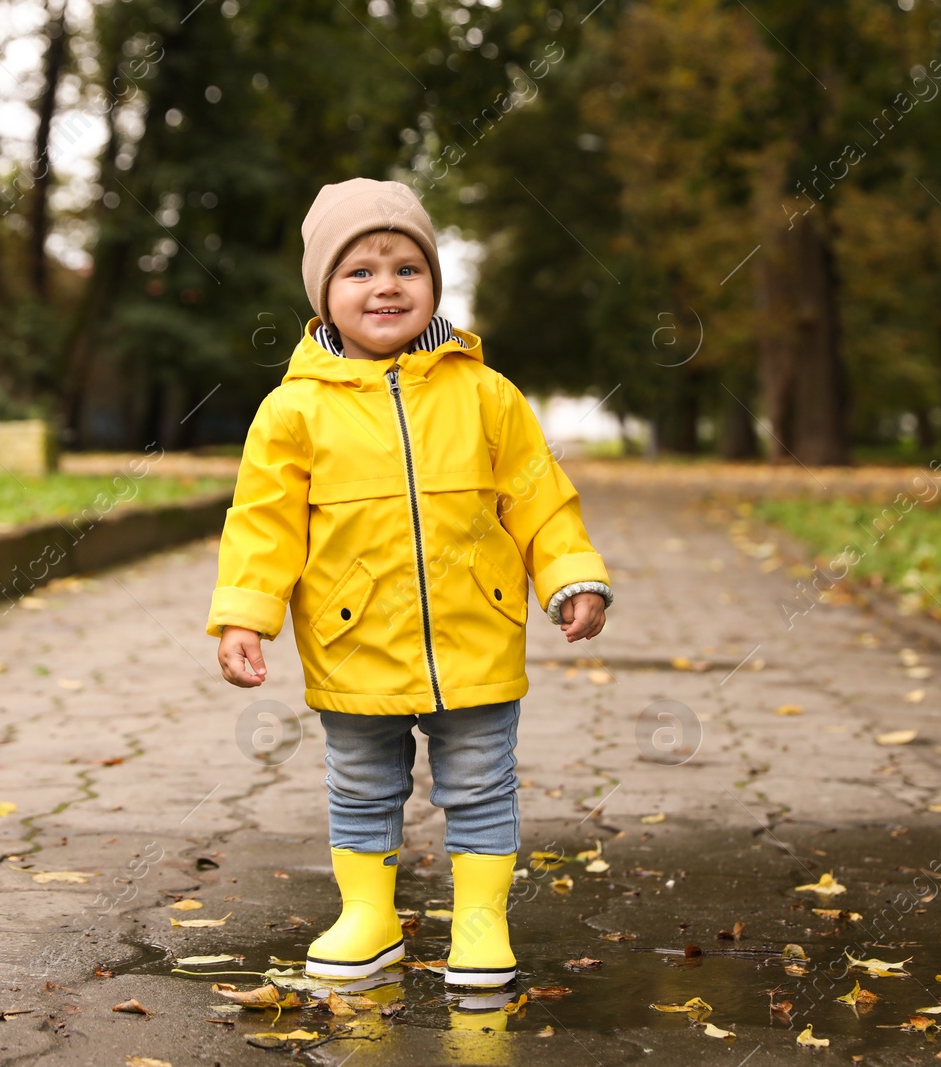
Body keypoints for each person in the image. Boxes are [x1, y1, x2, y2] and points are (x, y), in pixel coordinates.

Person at [207, 177, 612, 988]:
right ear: (323, 295)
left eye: (406, 268)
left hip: (477, 635)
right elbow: (263, 523)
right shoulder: (293, 411)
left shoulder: (488, 396)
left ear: (434, 285)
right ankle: (369, 914)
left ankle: (480, 917)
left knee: (480, 781)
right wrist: (245, 616)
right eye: (359, 271)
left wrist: (570, 575)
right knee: (360, 782)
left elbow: (538, 495)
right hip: (353, 640)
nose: (385, 285)